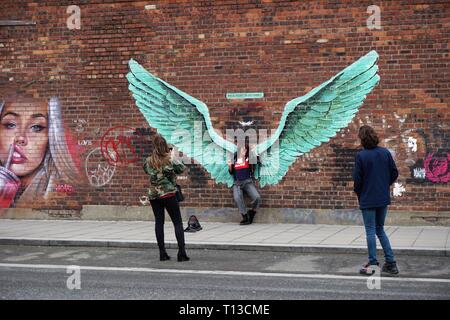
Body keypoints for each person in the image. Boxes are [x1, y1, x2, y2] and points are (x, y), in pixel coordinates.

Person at [0, 94, 80, 208]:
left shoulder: (56, 193)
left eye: (36, 127)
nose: (20, 138)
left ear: (51, 138)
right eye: (10, 125)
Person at [353, 125, 399, 275]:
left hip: (368, 198)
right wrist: (384, 185)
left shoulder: (361, 156)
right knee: (380, 230)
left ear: (362, 139)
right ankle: (391, 263)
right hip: (382, 197)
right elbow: (394, 173)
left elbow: (357, 180)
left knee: (370, 231)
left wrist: (359, 193)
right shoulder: (385, 153)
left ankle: (373, 263)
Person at [143, 134, 190, 262]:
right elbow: (181, 169)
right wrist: (173, 156)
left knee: (159, 222)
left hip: (154, 195)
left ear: (154, 146)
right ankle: (181, 253)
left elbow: (146, 171)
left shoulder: (148, 161)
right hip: (168, 193)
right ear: (165, 146)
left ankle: (162, 253)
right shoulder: (169, 159)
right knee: (177, 222)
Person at [227, 140, 261, 225]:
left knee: (257, 197)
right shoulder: (234, 159)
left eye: (245, 149)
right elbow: (231, 172)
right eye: (242, 149)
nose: (243, 151)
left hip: (247, 181)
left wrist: (255, 154)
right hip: (237, 183)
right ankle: (245, 216)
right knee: (238, 198)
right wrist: (230, 166)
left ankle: (252, 213)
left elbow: (256, 161)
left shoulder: (248, 158)